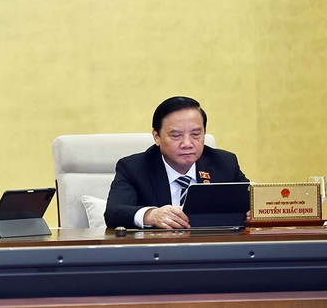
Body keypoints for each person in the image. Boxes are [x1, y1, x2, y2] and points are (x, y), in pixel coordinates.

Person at [104, 96, 249, 229]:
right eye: (176, 135)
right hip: (158, 251)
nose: (187, 143)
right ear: (157, 137)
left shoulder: (224, 163)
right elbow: (114, 212)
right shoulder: (134, 168)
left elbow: (254, 201)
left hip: (211, 250)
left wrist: (254, 213)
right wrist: (151, 215)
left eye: (196, 134)